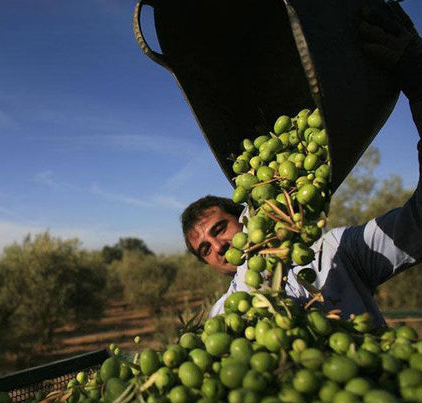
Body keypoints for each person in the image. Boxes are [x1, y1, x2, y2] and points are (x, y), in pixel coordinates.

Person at [181, 2, 422, 326]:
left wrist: (419, 85)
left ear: (245, 215)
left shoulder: (335, 252)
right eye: (205, 250)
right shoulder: (225, 316)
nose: (218, 248)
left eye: (219, 229)